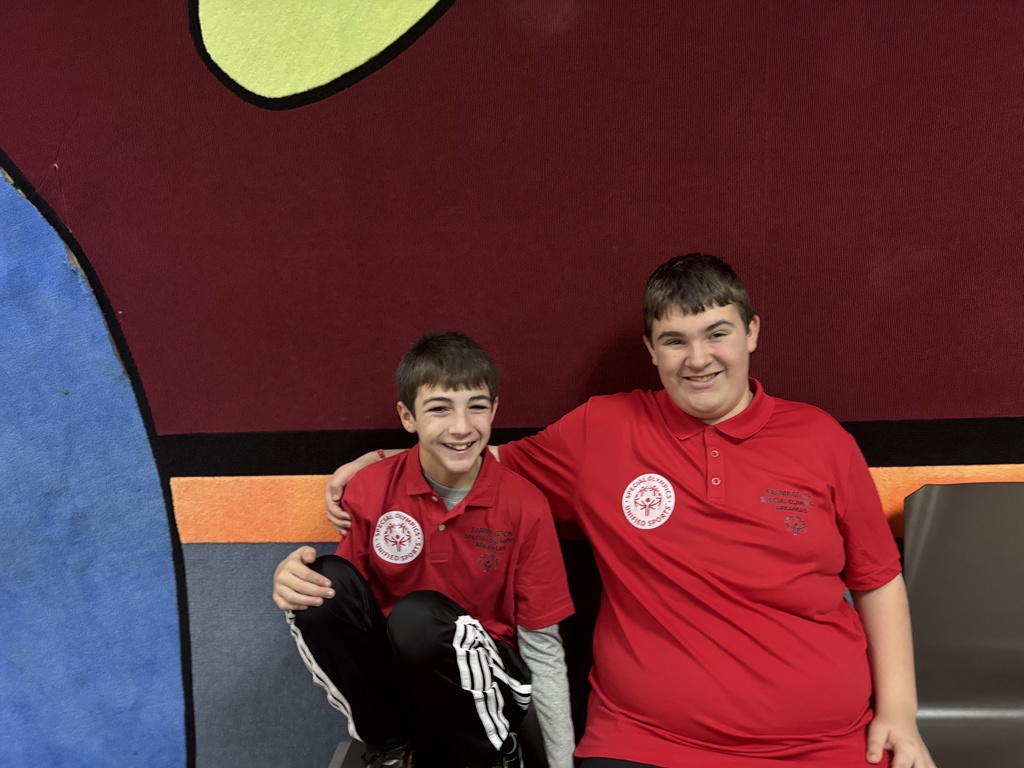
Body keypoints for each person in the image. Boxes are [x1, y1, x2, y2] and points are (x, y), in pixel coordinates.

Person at [326, 255, 937, 768]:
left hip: (823, 744)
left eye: (717, 333)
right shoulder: (602, 429)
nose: (698, 358)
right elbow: (477, 457)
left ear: (752, 332)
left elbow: (877, 579)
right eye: (675, 340)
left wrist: (900, 712)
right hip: (644, 742)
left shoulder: (822, 438)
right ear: (651, 349)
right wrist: (380, 462)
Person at [274, 331, 576, 768]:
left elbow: (543, 648)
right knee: (322, 582)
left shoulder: (525, 504)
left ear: (494, 410)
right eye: (439, 408)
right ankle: (391, 748)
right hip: (403, 686)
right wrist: (294, 579)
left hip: (490, 691)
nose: (461, 427)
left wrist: (561, 763)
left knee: (418, 616)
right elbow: (345, 611)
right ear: (407, 416)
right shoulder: (371, 487)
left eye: (476, 406)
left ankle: (493, 757)